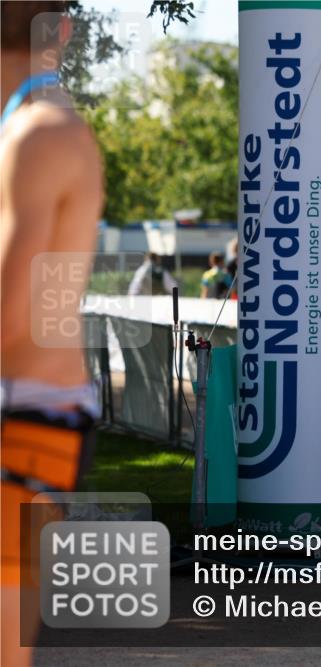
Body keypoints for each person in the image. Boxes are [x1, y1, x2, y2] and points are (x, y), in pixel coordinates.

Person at [1, 3, 104, 664]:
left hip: (26, 415)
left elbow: (12, 311)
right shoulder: (41, 129)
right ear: (62, 30)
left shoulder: (40, 134)